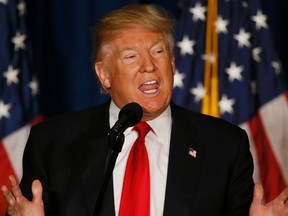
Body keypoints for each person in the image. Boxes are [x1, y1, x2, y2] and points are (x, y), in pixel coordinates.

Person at [1, 4, 288, 216]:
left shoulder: (225, 145)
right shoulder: (53, 143)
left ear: (173, 63)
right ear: (104, 74)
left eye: (158, 51)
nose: (149, 65)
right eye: (131, 56)